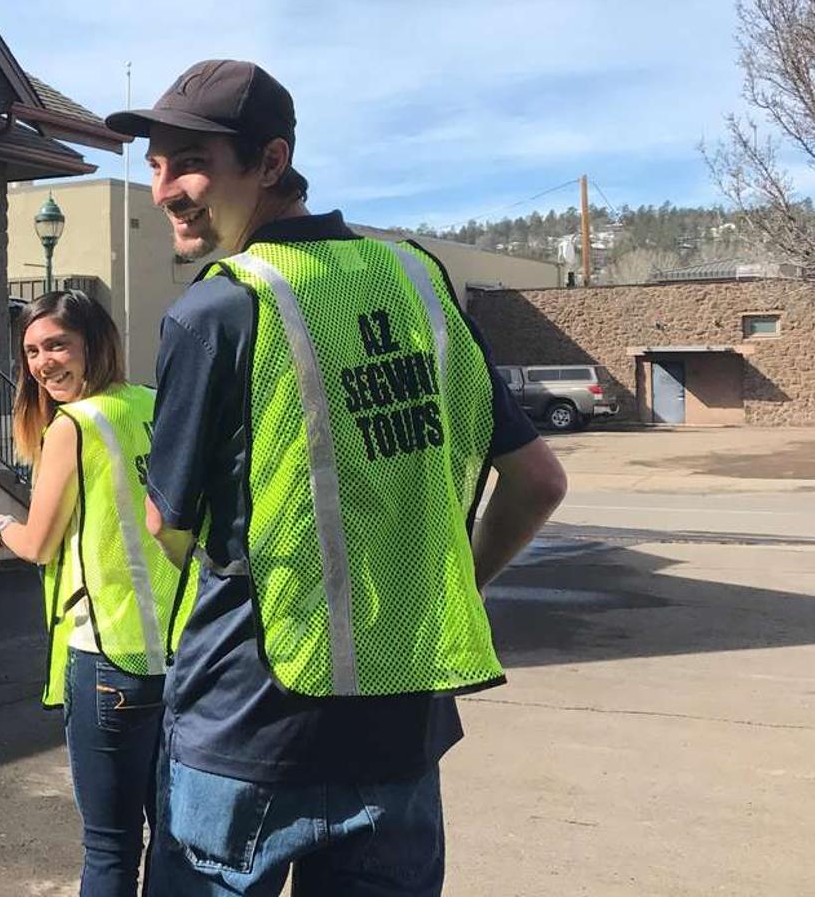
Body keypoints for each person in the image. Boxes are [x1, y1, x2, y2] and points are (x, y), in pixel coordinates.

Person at [103, 60, 569, 896]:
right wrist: (452, 582)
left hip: (243, 728)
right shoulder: (419, 284)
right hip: (399, 731)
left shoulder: (217, 310)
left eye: (190, 163)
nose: (164, 189)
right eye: (157, 165)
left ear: (270, 161)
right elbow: (537, 480)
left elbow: (167, 528)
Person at [0, 290, 194, 897]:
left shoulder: (74, 426)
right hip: (178, 653)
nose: (42, 364)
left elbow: (38, 543)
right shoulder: (151, 402)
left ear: (94, 345)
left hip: (107, 659)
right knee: (175, 839)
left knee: (110, 846)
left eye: (57, 346)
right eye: (31, 351)